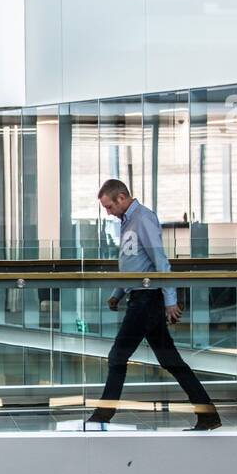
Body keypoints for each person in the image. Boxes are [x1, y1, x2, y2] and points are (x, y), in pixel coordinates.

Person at [86, 179, 221, 431]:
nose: (108, 212)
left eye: (109, 206)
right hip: (139, 297)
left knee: (118, 356)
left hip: (146, 300)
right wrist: (118, 293)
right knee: (170, 360)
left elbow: (160, 261)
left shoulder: (143, 218)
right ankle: (208, 413)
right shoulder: (128, 222)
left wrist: (170, 300)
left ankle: (103, 415)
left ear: (122, 197)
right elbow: (133, 263)